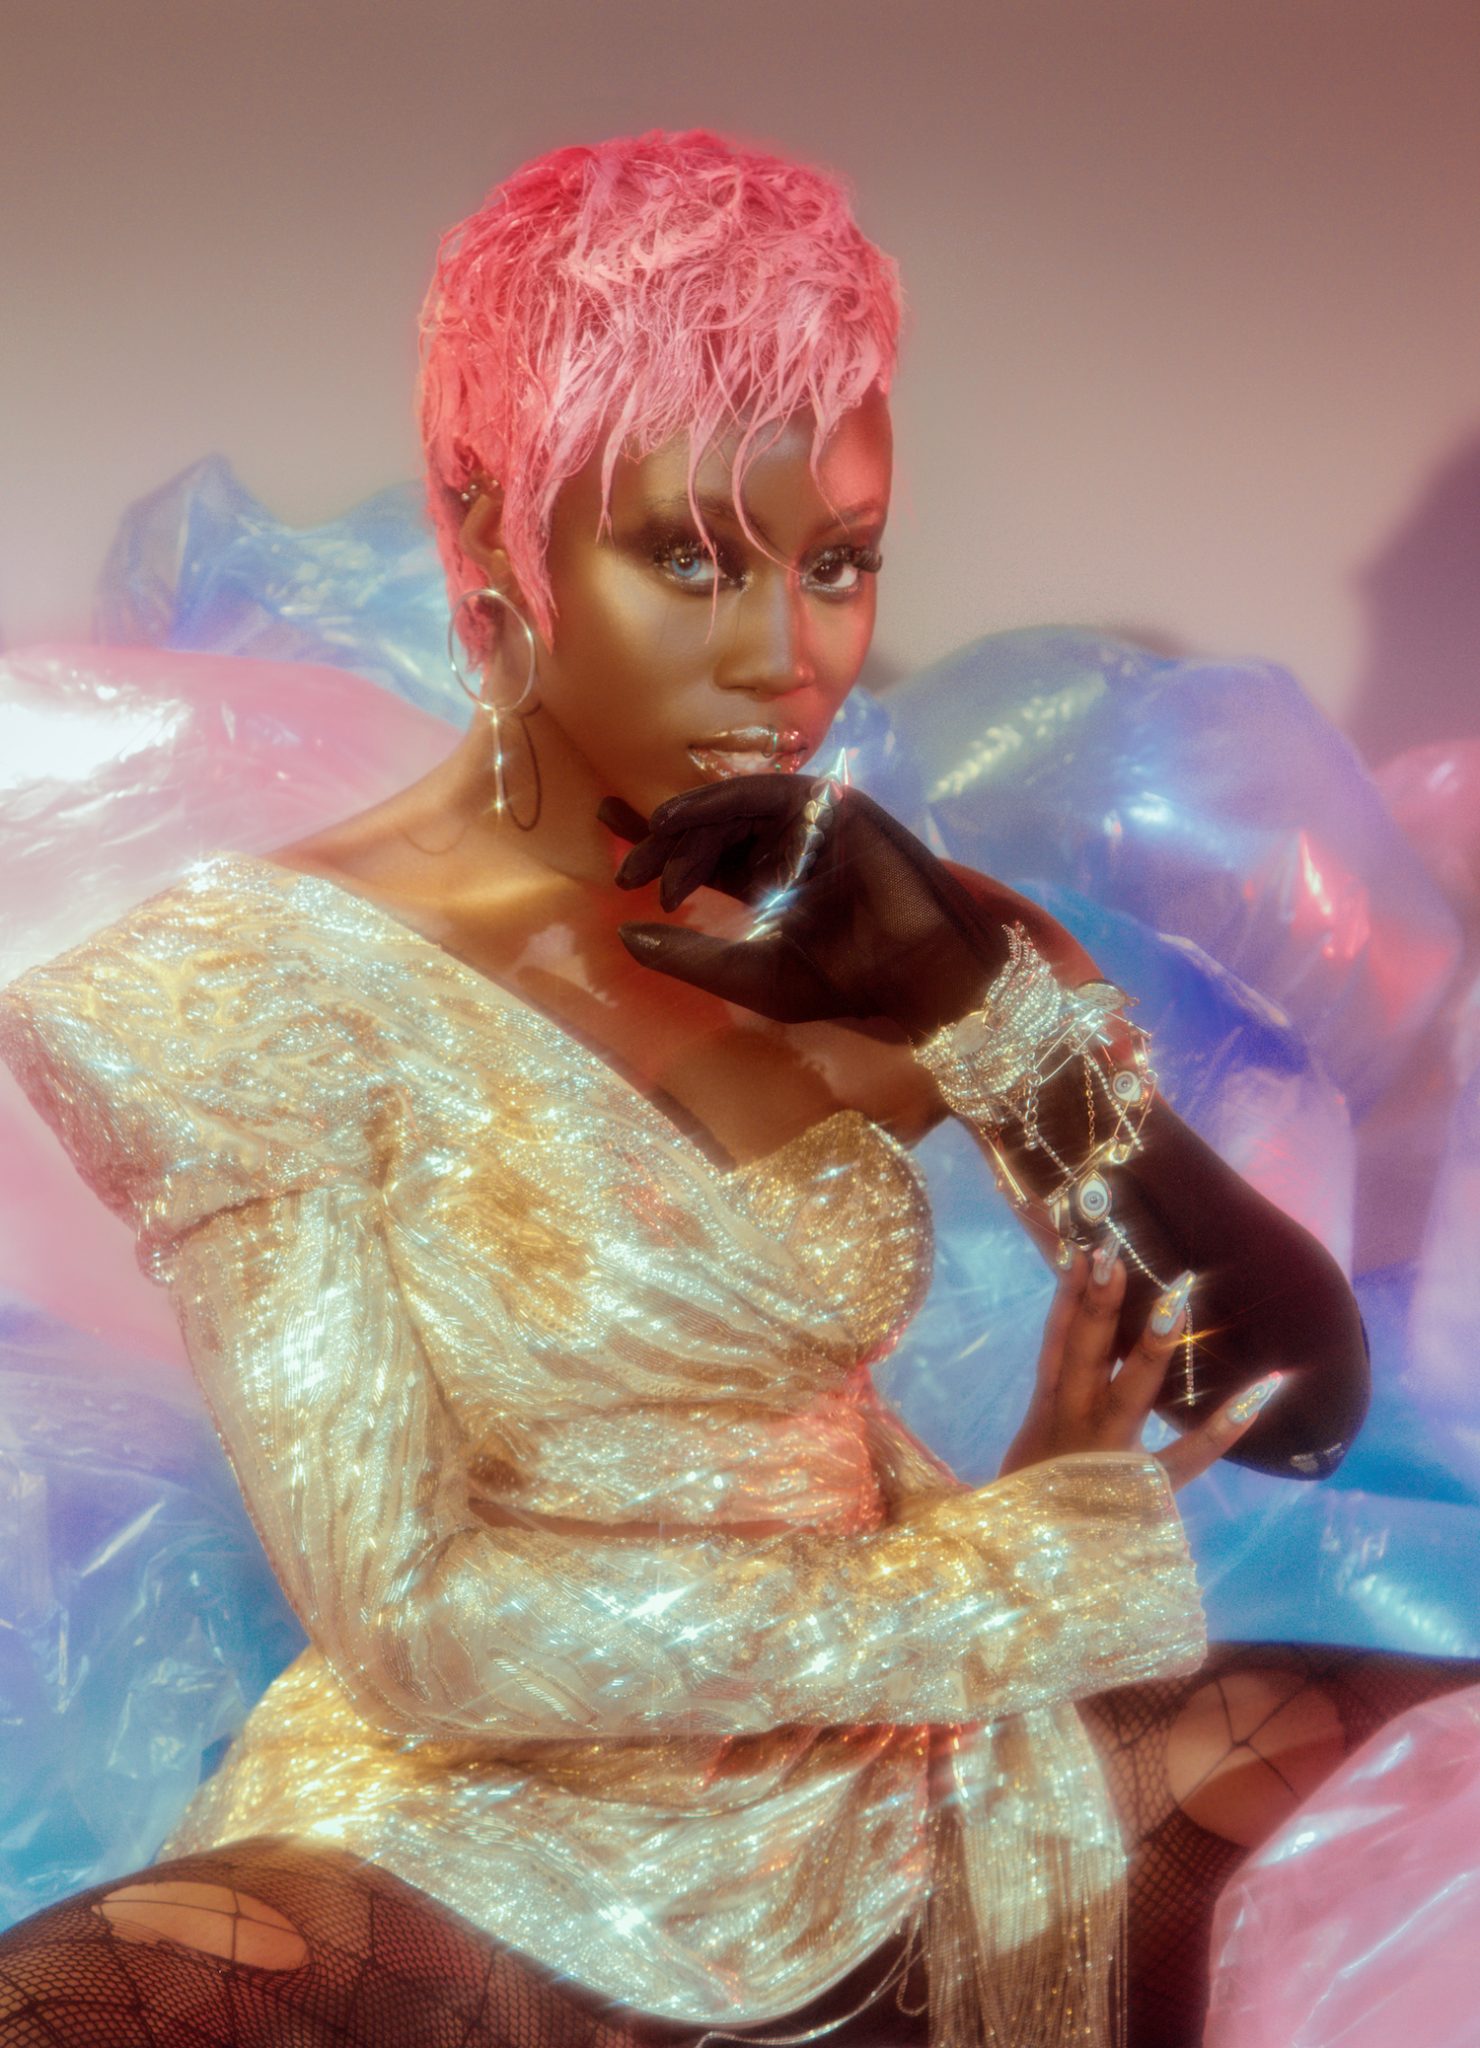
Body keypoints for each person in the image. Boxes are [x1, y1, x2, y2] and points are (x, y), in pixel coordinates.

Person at [0, 130, 1472, 2048]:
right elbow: (423, 1627)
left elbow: (1292, 1411)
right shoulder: (251, 988)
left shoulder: (896, 932)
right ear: (489, 533)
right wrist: (1002, 1589)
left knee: (1442, 1795)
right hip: (478, 1845)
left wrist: (971, 1001)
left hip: (926, 1790)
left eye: (837, 564)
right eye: (688, 559)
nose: (785, 660)